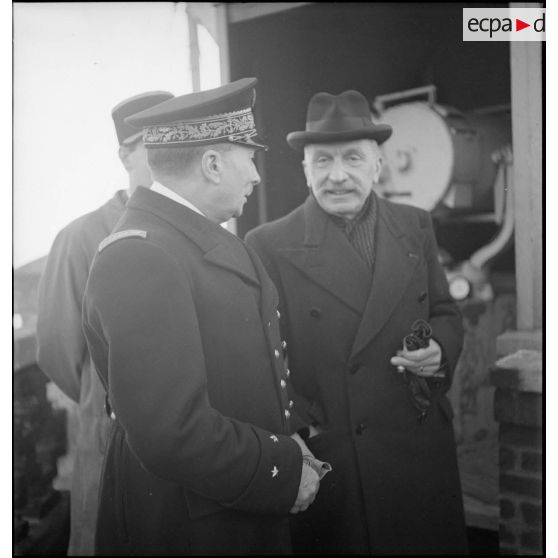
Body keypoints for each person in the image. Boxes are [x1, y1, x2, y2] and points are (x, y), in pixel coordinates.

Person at [81, 78, 325, 556]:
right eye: (248, 158)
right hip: (191, 528)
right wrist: (281, 469)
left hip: (229, 509)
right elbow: (171, 431)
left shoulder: (207, 241)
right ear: (213, 164)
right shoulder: (139, 257)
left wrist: (293, 444)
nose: (256, 176)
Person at [245, 89, 469, 555]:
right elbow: (266, 363)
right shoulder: (268, 243)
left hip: (419, 447)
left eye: (352, 158)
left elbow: (446, 312)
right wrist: (305, 432)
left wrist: (441, 350)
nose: (338, 175)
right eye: (322, 161)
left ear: (378, 166)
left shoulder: (415, 224)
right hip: (339, 458)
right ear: (305, 170)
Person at [36, 90, 174, 555]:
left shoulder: (197, 232)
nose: (167, 156)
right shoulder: (80, 237)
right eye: (153, 144)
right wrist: (108, 406)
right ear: (125, 154)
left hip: (187, 451)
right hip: (112, 445)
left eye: (176, 141)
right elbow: (59, 355)